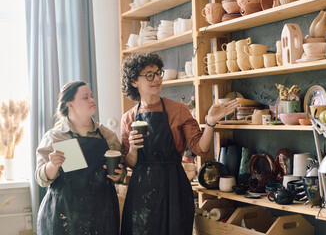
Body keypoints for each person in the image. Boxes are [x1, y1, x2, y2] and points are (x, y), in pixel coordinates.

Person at [120, 53, 239, 235]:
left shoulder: (178, 110)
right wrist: (133, 148)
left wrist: (210, 122)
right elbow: (131, 163)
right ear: (134, 81)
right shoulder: (128, 118)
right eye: (149, 75)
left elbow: (201, 148)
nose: (157, 79)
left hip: (174, 188)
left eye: (158, 73)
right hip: (142, 192)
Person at [35, 81, 126, 235]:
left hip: (102, 214)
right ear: (70, 104)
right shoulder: (55, 136)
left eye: (91, 96)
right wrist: (52, 165)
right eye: (85, 97)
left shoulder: (107, 135)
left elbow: (121, 172)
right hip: (63, 215)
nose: (92, 100)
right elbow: (41, 178)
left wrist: (119, 175)